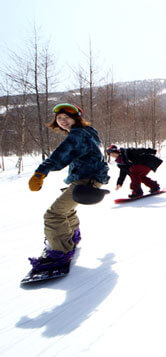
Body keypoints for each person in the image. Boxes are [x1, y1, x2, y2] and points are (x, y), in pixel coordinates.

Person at [27, 103, 110, 271]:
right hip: (89, 178)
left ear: (76, 118)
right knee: (67, 210)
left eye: (67, 117)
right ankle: (72, 236)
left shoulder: (78, 134)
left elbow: (61, 155)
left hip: (87, 180)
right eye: (59, 118)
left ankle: (59, 254)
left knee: (53, 214)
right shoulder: (88, 132)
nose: (63, 121)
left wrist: (40, 172)